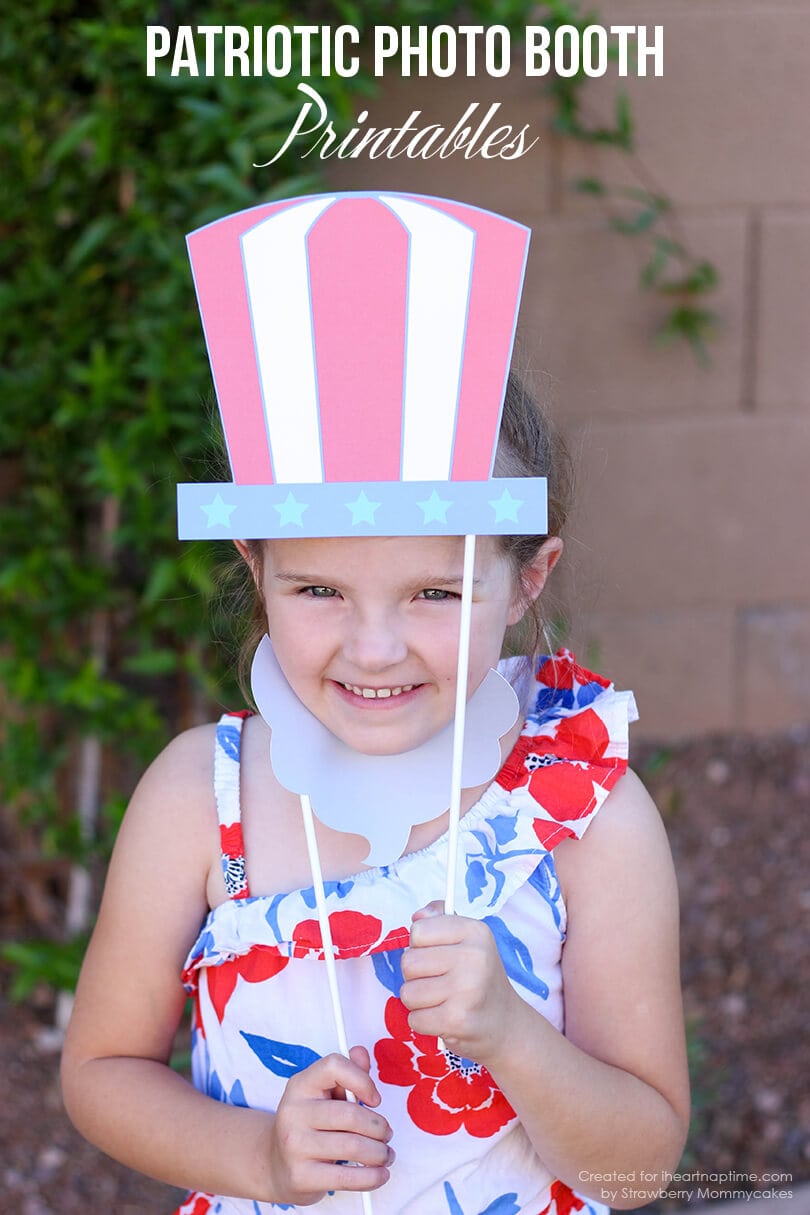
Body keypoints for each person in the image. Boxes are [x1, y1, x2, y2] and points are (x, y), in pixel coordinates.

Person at [61, 194, 689, 1215]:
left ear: (530, 578)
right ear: (253, 568)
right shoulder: (197, 801)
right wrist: (255, 1156)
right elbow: (101, 1073)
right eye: (319, 591)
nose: (376, 648)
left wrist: (512, 1039)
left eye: (436, 593)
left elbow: (639, 1168)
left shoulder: (586, 824)